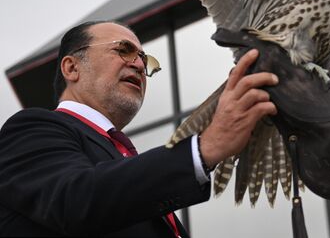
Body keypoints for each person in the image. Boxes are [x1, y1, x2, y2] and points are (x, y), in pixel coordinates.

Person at [0, 20, 278, 237]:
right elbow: (77, 202)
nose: (138, 64)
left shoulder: (125, 162)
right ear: (72, 68)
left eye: (145, 60)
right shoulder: (31, 128)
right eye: (123, 50)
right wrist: (204, 148)